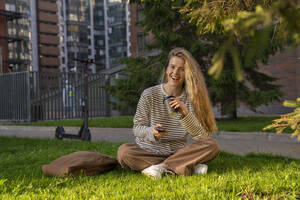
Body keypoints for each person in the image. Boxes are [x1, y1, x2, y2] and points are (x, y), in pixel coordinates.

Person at [117, 47, 219, 179]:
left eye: (182, 69)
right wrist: (151, 132)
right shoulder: (149, 94)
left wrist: (186, 114)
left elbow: (202, 137)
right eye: (172, 67)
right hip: (149, 151)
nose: (175, 72)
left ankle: (161, 167)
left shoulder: (192, 98)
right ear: (166, 69)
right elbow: (137, 128)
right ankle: (186, 166)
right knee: (124, 152)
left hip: (178, 153)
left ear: (187, 73)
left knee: (212, 145)